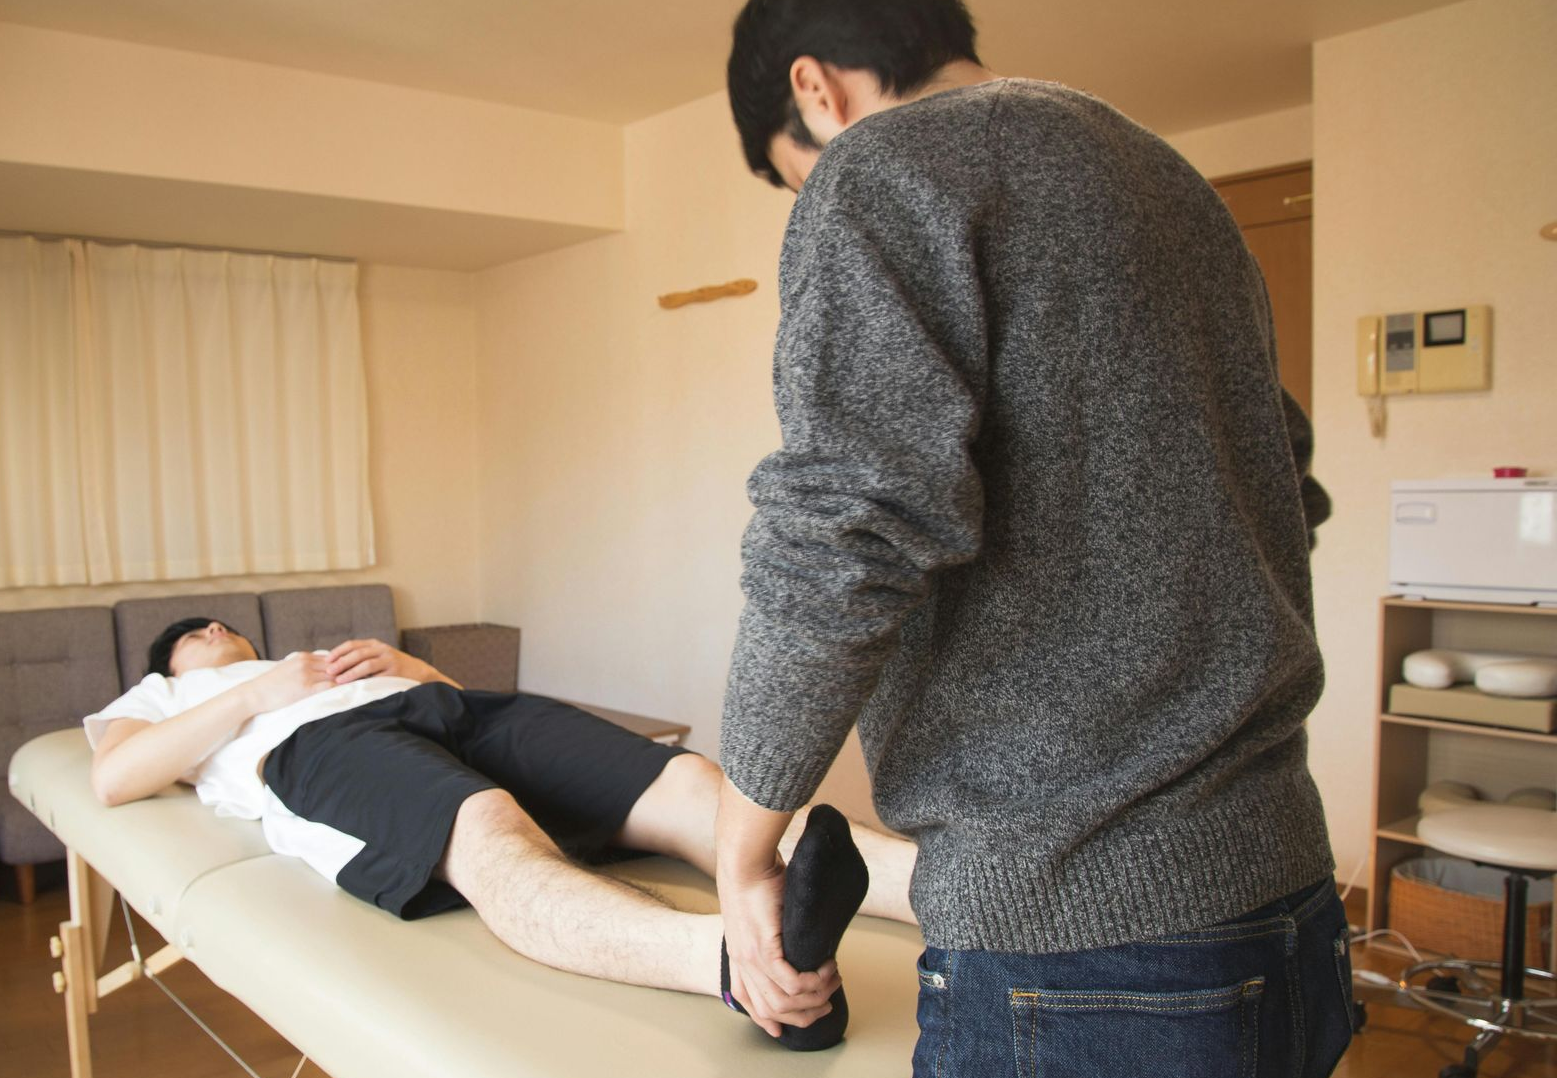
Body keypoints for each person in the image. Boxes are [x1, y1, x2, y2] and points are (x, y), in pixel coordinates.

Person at [713, 1, 1350, 1075]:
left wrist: (744, 849)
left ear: (815, 91)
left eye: (794, 169)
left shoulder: (880, 169)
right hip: (1286, 889)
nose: (810, 188)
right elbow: (1285, 476)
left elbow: (847, 529)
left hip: (1086, 943)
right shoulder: (1168, 181)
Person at [85, 617, 920, 1047]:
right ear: (170, 665)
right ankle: (750, 973)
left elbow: (454, 717)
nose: (216, 630)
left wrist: (417, 672)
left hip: (449, 709)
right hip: (317, 748)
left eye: (225, 626)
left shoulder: (309, 655)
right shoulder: (162, 700)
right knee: (489, 828)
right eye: (197, 633)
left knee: (693, 784)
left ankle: (942, 891)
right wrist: (256, 694)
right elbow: (114, 778)